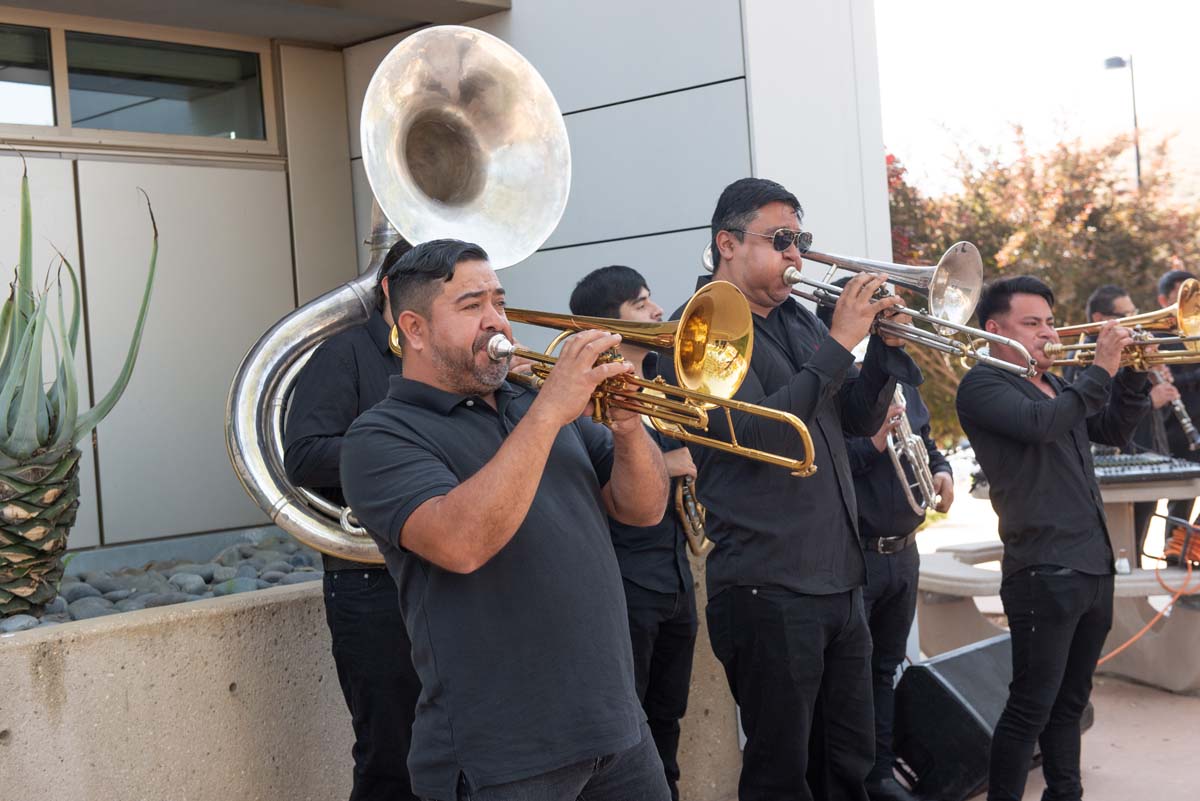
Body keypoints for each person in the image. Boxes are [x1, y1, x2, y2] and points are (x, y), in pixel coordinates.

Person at [339, 239, 672, 801]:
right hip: (502, 757)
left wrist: (628, 427)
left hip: (617, 732)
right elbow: (461, 543)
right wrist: (549, 410)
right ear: (415, 330)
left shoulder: (529, 402)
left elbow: (643, 509)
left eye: (498, 300)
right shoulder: (380, 437)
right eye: (471, 307)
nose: (497, 320)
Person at [674, 177, 922, 801]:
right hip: (768, 584)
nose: (796, 255)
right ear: (727, 243)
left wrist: (886, 349)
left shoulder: (797, 319)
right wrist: (841, 341)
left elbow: (857, 420)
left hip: (839, 579)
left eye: (801, 240)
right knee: (781, 775)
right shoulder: (701, 328)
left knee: (849, 765)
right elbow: (767, 437)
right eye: (781, 239)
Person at [955, 275, 1151, 801]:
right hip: (1042, 568)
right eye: (1032, 323)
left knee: (1071, 702)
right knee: (1030, 706)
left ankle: (1065, 794)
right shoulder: (984, 385)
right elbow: (1042, 425)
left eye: (1050, 321)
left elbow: (1112, 431)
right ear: (996, 330)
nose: (1048, 333)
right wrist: (1101, 368)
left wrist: (1133, 376)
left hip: (1090, 563)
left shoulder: (1060, 384)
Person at [283, 231, 422, 801]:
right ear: (391, 288)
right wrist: (405, 446)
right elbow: (304, 454)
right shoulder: (344, 353)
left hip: (446, 572)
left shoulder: (446, 359)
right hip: (371, 582)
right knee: (391, 760)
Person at [816, 294, 954, 801]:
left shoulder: (901, 377)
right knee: (847, 681)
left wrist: (942, 471)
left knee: (885, 668)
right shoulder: (832, 381)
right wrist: (873, 443)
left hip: (905, 552)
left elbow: (928, 441)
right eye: (881, 318)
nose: (892, 325)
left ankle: (879, 772)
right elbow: (825, 462)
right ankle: (857, 778)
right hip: (861, 554)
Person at [569, 265, 699, 801]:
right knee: (633, 725)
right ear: (609, 321)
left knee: (669, 718)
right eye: (640, 303)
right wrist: (674, 463)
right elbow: (602, 477)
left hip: (674, 576)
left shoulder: (663, 385)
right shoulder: (587, 399)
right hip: (626, 582)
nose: (655, 311)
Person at [1066, 284, 1179, 559]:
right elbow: (1094, 415)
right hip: (1116, 465)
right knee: (1122, 548)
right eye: (1125, 314)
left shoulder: (1130, 355)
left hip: (1146, 454)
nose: (1135, 320)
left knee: (1137, 542)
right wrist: (1150, 400)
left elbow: (1147, 417)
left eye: (1135, 312)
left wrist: (1150, 383)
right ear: (1099, 319)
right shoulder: (1081, 356)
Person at [1155, 269, 1200, 533]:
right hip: (1180, 428)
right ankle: (1175, 552)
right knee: (1182, 499)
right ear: (1164, 301)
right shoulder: (1160, 338)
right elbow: (1168, 380)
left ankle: (1191, 545)